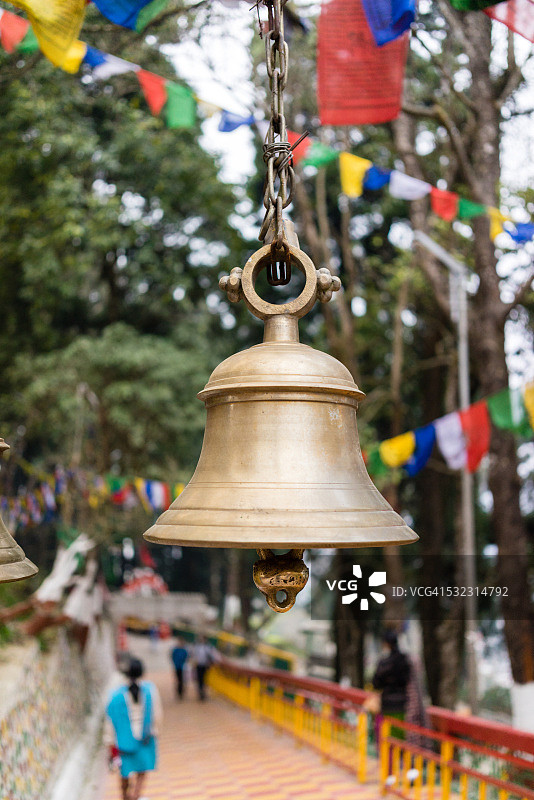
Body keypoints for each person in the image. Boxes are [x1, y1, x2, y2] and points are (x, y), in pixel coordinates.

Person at [106, 658, 163, 800]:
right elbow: (157, 714)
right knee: (141, 772)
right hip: (145, 739)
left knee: (124, 772)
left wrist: (109, 742)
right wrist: (156, 731)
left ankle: (126, 796)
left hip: (123, 741)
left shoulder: (116, 695)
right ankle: (136, 796)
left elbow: (110, 721)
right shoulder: (150, 690)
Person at [372, 630, 411, 740]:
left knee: (387, 740)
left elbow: (376, 683)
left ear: (386, 643)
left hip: (388, 705)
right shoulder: (405, 660)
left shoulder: (384, 663)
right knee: (400, 739)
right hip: (403, 705)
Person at [193, 635, 217, 701]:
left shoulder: (208, 647)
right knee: (199, 679)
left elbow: (212, 656)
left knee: (204, 679)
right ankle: (200, 692)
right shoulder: (197, 647)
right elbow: (194, 655)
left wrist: (211, 663)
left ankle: (203, 692)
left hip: (205, 665)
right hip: (199, 665)